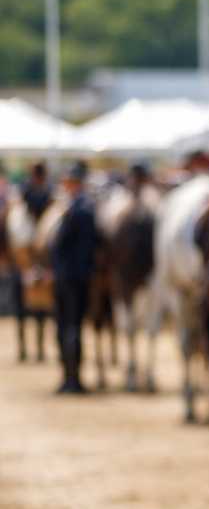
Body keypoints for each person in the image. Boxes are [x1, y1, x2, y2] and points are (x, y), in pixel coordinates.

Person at [49, 161, 98, 395]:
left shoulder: (80, 208)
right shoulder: (79, 207)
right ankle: (70, 376)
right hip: (72, 276)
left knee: (70, 327)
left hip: (71, 277)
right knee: (69, 327)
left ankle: (72, 377)